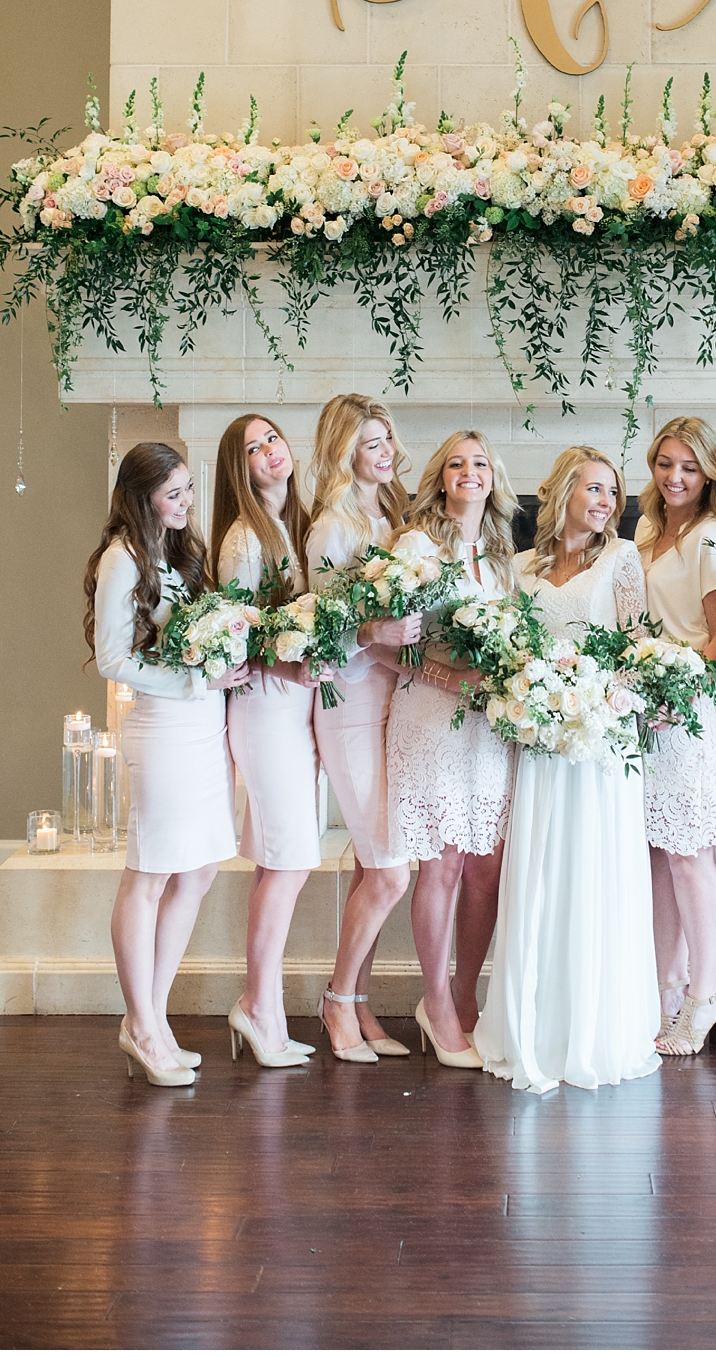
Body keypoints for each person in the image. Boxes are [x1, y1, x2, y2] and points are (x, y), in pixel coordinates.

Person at [474, 449, 662, 1093]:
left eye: (614, 491)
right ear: (560, 492)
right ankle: (537, 1025)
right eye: (595, 488)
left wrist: (603, 699)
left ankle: (595, 1028)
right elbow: (512, 652)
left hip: (602, 744)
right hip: (540, 742)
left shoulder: (622, 560)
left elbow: (638, 651)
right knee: (543, 875)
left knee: (594, 874)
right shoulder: (524, 568)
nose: (608, 501)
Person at [88, 442, 245, 1087]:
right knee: (148, 873)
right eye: (173, 492)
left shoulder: (176, 553)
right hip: (165, 727)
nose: (186, 503)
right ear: (141, 493)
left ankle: (150, 1013)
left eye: (187, 490)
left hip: (205, 727)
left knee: (200, 867)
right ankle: (142, 1022)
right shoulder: (121, 560)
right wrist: (192, 681)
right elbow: (111, 659)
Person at [385, 429, 517, 1068]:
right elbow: (393, 647)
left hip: (488, 726)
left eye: (480, 463)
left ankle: (466, 998)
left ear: (493, 477)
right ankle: (434, 1001)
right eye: (457, 464)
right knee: (440, 864)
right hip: (431, 717)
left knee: (486, 868)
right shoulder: (414, 547)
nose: (470, 472)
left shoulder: (500, 557)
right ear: (440, 478)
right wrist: (452, 677)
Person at [303, 394, 420, 1064]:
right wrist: (375, 633)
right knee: (390, 870)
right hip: (347, 704)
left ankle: (361, 1001)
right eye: (371, 442)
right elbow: (323, 636)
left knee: (370, 864)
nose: (385, 452)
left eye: (387, 440)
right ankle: (337, 1000)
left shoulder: (394, 519)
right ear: (344, 448)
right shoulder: (333, 529)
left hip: (395, 701)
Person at [209, 414, 319, 1068]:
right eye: (254, 449)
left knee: (281, 859)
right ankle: (257, 1006)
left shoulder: (291, 529)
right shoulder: (244, 538)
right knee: (289, 860)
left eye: (272, 438)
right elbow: (238, 639)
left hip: (293, 710)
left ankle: (263, 1006)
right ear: (240, 470)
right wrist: (298, 659)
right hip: (264, 709)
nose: (270, 452)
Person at [636, 416, 716, 1056]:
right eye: (666, 463)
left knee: (691, 854)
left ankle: (704, 998)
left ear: (709, 476)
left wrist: (677, 689)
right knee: (655, 855)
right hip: (647, 710)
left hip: (692, 709)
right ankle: (666, 990)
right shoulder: (646, 530)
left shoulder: (712, 539)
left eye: (690, 468)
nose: (675, 477)